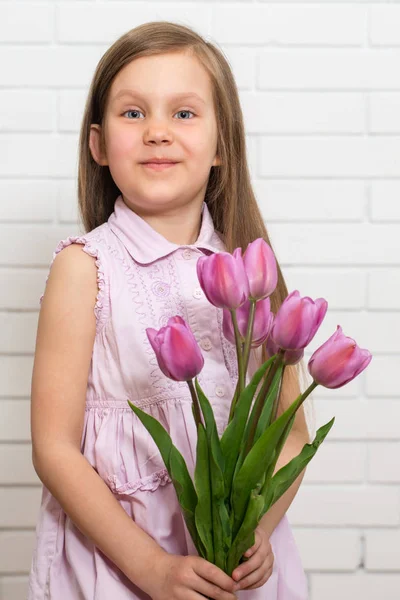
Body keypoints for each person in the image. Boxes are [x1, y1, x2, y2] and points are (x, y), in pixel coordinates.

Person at [28, 21, 315, 600]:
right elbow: (54, 448)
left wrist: (255, 531)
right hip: (115, 562)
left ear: (220, 146)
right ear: (99, 146)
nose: (158, 131)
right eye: (133, 114)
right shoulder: (86, 269)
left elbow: (291, 432)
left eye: (184, 114)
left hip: (232, 570)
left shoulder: (251, 270)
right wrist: (152, 569)